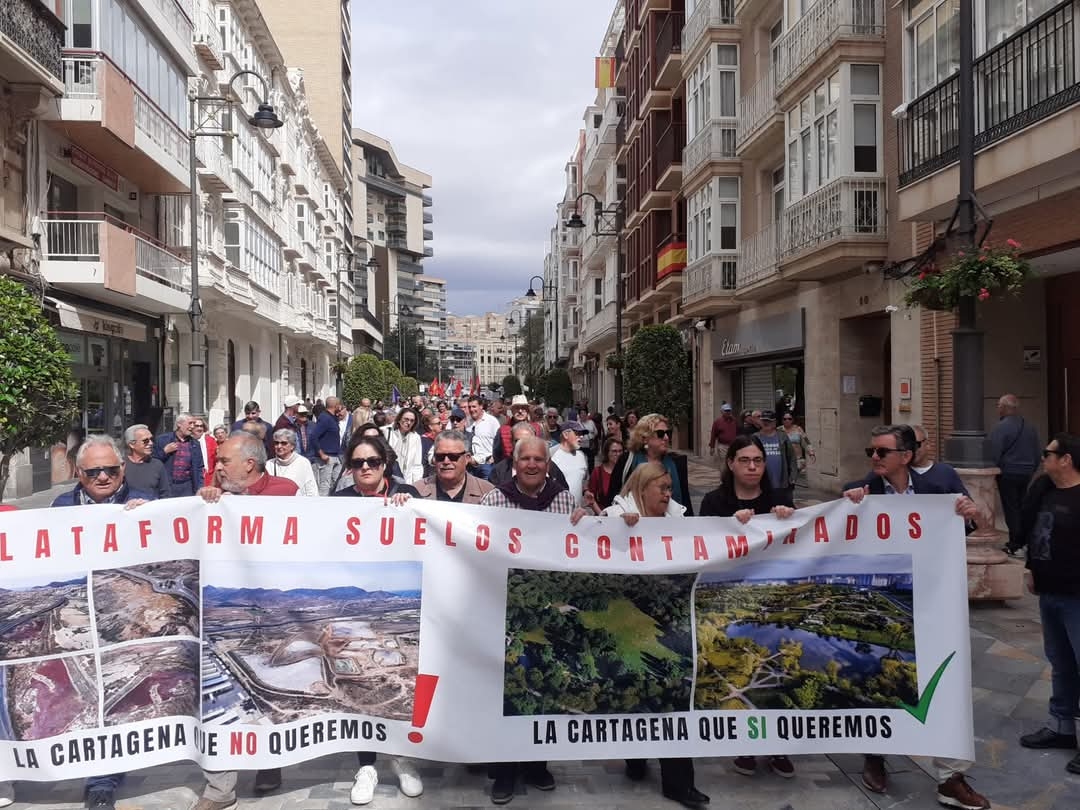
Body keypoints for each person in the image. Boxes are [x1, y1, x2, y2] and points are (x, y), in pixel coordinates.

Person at [842, 425, 987, 809]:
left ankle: (950, 777)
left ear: (905, 457)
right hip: (881, 609)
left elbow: (971, 524)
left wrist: (971, 513)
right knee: (879, 682)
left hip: (932, 605)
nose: (874, 458)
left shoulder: (936, 493)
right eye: (870, 451)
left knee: (946, 685)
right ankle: (874, 757)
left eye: (882, 452)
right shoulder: (861, 493)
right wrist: (847, 504)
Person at [571, 461, 710, 809]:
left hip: (669, 623)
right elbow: (590, 544)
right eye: (662, 488)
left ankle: (679, 783)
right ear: (641, 489)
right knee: (632, 691)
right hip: (624, 623)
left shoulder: (678, 520)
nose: (669, 494)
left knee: (672, 698)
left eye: (669, 489)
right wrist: (607, 526)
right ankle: (636, 758)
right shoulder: (618, 515)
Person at [192, 433, 297, 810]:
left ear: (249, 464)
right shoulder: (212, 494)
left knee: (268, 685)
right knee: (222, 696)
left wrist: (240, 503)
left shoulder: (285, 489)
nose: (216, 467)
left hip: (273, 609)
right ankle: (220, 789)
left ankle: (269, 763)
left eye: (223, 461)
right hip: (225, 608)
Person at [53, 436, 154, 810]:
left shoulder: (148, 504)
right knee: (89, 696)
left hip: (128, 619)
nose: (102, 477)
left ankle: (109, 772)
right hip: (84, 613)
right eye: (93, 471)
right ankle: (99, 777)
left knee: (119, 696)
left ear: (122, 469)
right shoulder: (60, 507)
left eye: (110, 469)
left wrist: (151, 522)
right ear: (79, 473)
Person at [329, 435, 424, 804]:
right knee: (360, 690)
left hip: (400, 602)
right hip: (354, 605)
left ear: (385, 463)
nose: (365, 468)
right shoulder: (337, 503)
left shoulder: (407, 493)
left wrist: (409, 506)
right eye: (357, 463)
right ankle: (366, 765)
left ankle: (402, 758)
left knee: (402, 685)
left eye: (371, 461)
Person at [481, 436, 576, 804]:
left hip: (549, 609)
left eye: (540, 459)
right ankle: (504, 772)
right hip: (505, 606)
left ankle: (537, 764)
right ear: (515, 463)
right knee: (507, 690)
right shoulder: (494, 499)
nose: (533, 465)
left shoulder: (565, 500)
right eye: (527, 460)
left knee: (543, 686)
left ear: (547, 465)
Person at [699, 435, 796, 780]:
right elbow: (704, 550)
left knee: (776, 673)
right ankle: (745, 744)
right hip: (730, 602)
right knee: (741, 670)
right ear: (731, 463)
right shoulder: (714, 503)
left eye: (758, 460)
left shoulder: (779, 499)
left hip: (771, 602)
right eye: (745, 460)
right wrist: (729, 527)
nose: (753, 466)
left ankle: (780, 747)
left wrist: (785, 519)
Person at [1017, 433, 1080, 774]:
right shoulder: (1045, 491)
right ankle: (1062, 728)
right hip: (1050, 592)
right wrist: (1031, 568)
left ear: (1066, 459)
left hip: (1077, 596)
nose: (1043, 458)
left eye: (1049, 453)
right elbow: (1037, 534)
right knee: (1061, 662)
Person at [606, 413, 693, 516]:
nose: (666, 438)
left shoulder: (677, 463)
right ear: (645, 438)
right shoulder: (627, 461)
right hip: (635, 526)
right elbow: (614, 497)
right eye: (660, 433)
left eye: (667, 433)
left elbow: (685, 503)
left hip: (671, 525)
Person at [990, 393, 1042, 551]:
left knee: (1011, 508)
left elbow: (994, 452)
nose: (997, 408)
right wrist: (1032, 470)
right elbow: (1037, 452)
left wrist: (994, 471)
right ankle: (1024, 540)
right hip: (1026, 473)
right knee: (1021, 506)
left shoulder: (1000, 427)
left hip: (1008, 473)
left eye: (999, 405)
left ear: (1005, 408)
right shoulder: (1030, 426)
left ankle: (1015, 544)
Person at [411, 430, 494, 502]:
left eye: (453, 456)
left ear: (467, 458)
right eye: (440, 456)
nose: (446, 461)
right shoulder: (416, 491)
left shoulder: (488, 493)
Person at [488, 422, 570, 491]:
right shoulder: (499, 471)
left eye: (527, 441)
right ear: (511, 442)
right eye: (517, 441)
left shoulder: (550, 467)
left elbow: (563, 493)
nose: (522, 445)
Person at [152, 413, 205, 497]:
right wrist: (164, 452)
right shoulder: (163, 440)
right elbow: (152, 462)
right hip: (167, 486)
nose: (192, 427)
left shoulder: (195, 444)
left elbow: (199, 468)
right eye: (190, 423)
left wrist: (200, 487)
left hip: (187, 486)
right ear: (179, 424)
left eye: (193, 424)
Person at [911, 425, 969, 495]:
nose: (912, 449)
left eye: (916, 444)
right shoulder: (899, 472)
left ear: (927, 444)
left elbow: (966, 501)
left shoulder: (946, 472)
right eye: (907, 445)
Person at [755, 411, 798, 500]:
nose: (766, 423)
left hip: (782, 483)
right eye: (764, 420)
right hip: (760, 484)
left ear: (774, 422)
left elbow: (792, 458)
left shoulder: (782, 436)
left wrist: (792, 478)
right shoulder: (755, 437)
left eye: (769, 420)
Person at [310, 396, 347, 496]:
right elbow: (313, 436)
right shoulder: (324, 418)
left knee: (337, 482)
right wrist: (321, 453)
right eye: (339, 405)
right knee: (325, 485)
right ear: (336, 406)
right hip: (326, 457)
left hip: (336, 456)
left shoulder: (332, 417)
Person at [121, 424, 169, 500]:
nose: (151, 443)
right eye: (145, 441)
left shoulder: (157, 465)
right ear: (131, 444)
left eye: (151, 439)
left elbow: (165, 494)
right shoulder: (121, 465)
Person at [266, 429, 318, 496]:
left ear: (292, 446)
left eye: (284, 443)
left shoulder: (303, 463)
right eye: (276, 443)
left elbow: (311, 488)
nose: (279, 446)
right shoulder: (268, 464)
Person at [493, 395, 543, 463]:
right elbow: (497, 455)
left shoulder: (537, 428)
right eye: (516, 408)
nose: (520, 411)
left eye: (523, 408)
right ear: (512, 410)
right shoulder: (502, 430)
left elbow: (542, 451)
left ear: (527, 410)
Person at [549, 421, 588, 506]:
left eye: (582, 434)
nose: (581, 437)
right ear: (566, 435)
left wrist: (585, 491)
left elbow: (582, 481)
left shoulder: (582, 456)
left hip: (577, 512)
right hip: (557, 511)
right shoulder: (551, 454)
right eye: (577, 433)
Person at [465, 396, 500, 480]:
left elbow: (499, 441)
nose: (471, 409)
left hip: (487, 465)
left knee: (487, 490)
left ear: (481, 406)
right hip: (470, 465)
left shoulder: (491, 421)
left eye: (474, 406)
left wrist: (494, 457)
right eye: (469, 407)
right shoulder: (466, 422)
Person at [388, 407, 425, 484]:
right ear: (399, 419)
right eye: (406, 419)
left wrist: (416, 483)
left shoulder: (416, 437)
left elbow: (417, 463)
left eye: (412, 421)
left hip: (406, 480)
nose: (408, 423)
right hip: (388, 479)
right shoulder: (386, 432)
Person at [587, 435, 624, 510]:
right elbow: (591, 499)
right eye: (614, 451)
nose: (618, 454)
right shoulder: (597, 472)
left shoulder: (626, 471)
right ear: (607, 452)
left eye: (620, 451)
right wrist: (601, 514)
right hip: (603, 515)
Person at [780, 412, 815, 486]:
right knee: (786, 480)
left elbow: (806, 442)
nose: (787, 420)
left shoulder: (798, 429)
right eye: (785, 419)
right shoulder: (779, 430)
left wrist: (811, 453)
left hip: (797, 460)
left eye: (789, 419)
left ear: (792, 420)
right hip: (784, 460)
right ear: (782, 420)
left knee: (792, 479)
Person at [190, 417, 217, 486]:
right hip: (193, 478)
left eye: (201, 426)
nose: (199, 428)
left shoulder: (211, 440)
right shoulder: (188, 442)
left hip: (209, 477)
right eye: (197, 426)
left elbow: (216, 459)